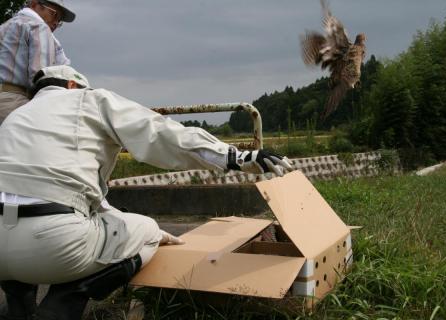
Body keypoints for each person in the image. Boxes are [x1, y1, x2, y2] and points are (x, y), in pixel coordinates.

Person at [0, 65, 292, 320]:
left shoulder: (13, 118)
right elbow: (161, 133)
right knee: (149, 229)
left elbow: (78, 196)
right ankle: (65, 302)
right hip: (53, 246)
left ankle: (19, 306)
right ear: (74, 86)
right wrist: (235, 157)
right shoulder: (91, 100)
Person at [0, 0, 75, 125]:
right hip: (14, 103)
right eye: (54, 14)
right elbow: (41, 78)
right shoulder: (38, 27)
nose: (56, 22)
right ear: (35, 4)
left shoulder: (4, 27)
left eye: (59, 20)